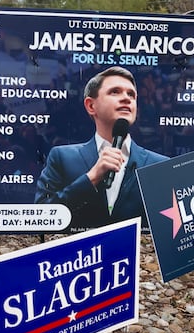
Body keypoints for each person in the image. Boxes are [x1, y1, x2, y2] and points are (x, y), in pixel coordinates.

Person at [34, 66, 167, 230]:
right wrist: (91, 178)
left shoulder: (160, 166)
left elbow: (170, 230)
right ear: (91, 106)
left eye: (131, 94)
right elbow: (41, 220)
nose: (126, 98)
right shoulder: (61, 157)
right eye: (115, 92)